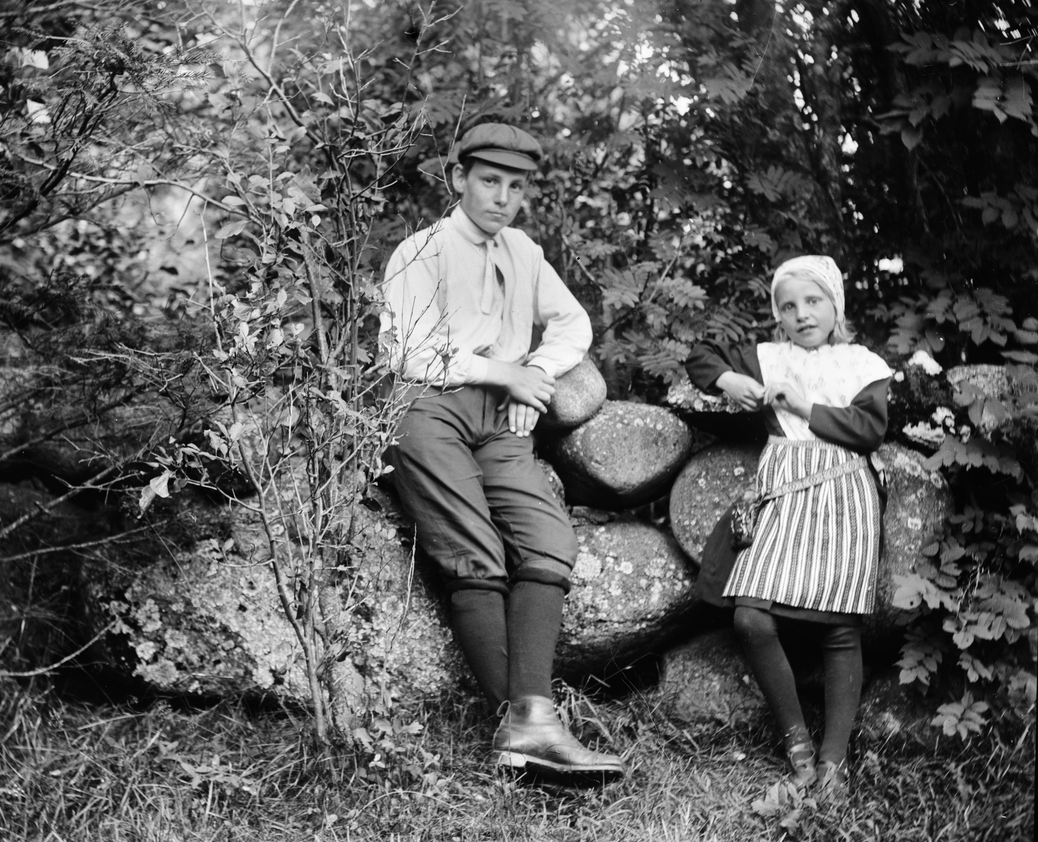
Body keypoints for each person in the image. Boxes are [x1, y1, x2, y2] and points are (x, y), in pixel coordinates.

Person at [379, 123, 624, 779]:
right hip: (427, 407)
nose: (502, 198)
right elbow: (409, 351)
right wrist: (504, 374)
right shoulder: (421, 251)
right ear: (459, 178)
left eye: (516, 187)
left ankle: (529, 725)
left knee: (550, 539)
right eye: (490, 181)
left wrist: (535, 372)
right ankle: (528, 724)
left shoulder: (523, 251)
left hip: (498, 420)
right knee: (474, 552)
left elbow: (573, 324)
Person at [685, 255, 893, 794]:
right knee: (751, 617)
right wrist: (731, 379)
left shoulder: (862, 363)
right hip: (782, 491)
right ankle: (796, 741)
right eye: (789, 305)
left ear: (835, 305)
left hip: (843, 492)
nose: (802, 314)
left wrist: (802, 404)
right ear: (777, 315)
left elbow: (868, 429)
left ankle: (832, 762)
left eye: (814, 301)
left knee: (840, 627)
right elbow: (700, 356)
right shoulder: (768, 356)